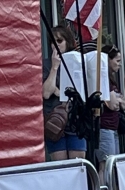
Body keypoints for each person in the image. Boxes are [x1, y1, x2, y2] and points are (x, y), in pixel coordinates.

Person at [43, 23, 86, 160]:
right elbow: (46, 92)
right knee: (60, 166)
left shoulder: (76, 62)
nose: (56, 44)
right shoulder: (46, 64)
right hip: (55, 121)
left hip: (75, 120)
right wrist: (54, 67)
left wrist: (58, 91)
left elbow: (80, 91)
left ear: (67, 42)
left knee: (78, 164)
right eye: (52, 41)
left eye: (60, 41)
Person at [99, 46, 125, 164]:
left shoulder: (111, 80)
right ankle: (104, 184)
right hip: (104, 127)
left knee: (113, 164)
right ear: (107, 60)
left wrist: (119, 101)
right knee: (105, 165)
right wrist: (118, 100)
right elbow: (113, 105)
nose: (120, 64)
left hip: (113, 127)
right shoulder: (102, 79)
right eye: (117, 60)